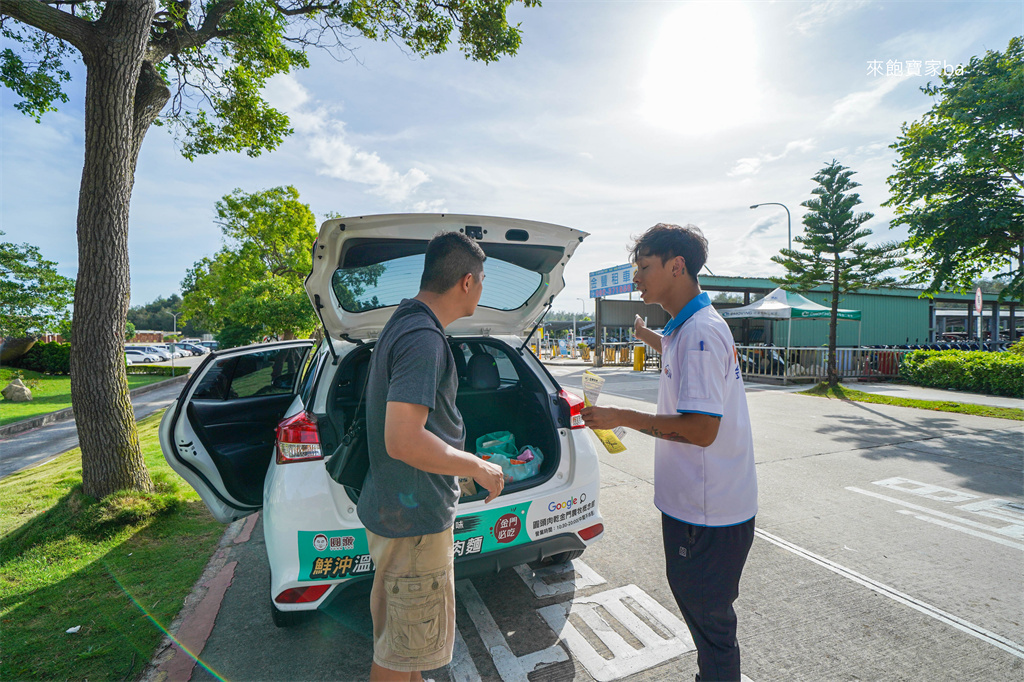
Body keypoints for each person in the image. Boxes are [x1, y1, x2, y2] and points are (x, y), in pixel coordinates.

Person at [581, 223, 757, 682]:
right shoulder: (689, 328)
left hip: (705, 514)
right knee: (708, 620)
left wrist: (623, 414)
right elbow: (680, 352)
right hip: (707, 507)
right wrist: (648, 338)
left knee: (711, 627)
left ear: (676, 266)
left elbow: (701, 431)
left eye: (643, 268)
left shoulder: (698, 334)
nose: (635, 278)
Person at [357, 231, 506, 682]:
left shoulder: (406, 320)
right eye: (482, 280)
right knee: (398, 656)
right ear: (466, 281)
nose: (482, 289)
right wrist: (477, 465)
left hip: (402, 513)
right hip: (414, 525)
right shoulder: (424, 337)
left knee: (407, 649)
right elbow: (403, 440)